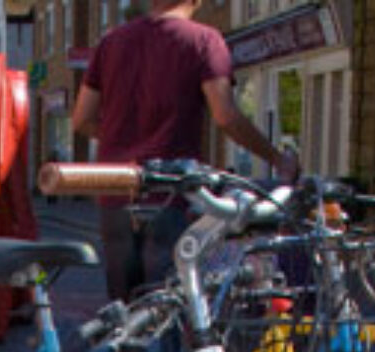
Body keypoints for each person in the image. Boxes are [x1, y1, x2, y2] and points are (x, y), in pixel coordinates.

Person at [71, 0, 300, 300]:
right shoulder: (204, 41)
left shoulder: (111, 43)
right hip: (171, 196)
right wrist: (277, 159)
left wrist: (122, 136)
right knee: (169, 307)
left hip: (116, 194)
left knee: (123, 314)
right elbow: (225, 116)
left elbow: (82, 119)